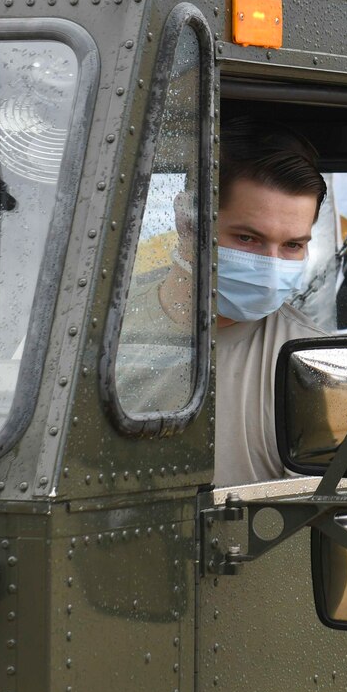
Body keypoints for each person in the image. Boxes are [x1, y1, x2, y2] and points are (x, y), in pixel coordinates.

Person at [131, 117, 326, 486]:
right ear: (187, 220)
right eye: (248, 239)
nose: (271, 268)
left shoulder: (314, 366)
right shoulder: (103, 328)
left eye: (292, 245)